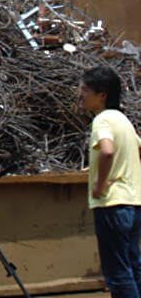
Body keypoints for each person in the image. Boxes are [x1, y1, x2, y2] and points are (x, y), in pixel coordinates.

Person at [80, 66, 141, 298]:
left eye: (86, 90)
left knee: (117, 272)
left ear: (102, 95)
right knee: (133, 265)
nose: (81, 95)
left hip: (112, 204)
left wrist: (100, 183)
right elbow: (137, 147)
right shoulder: (123, 120)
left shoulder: (102, 120)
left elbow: (106, 151)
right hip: (133, 202)